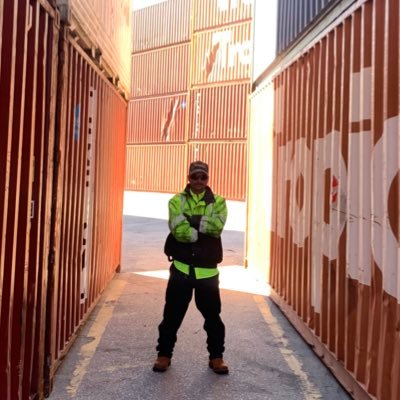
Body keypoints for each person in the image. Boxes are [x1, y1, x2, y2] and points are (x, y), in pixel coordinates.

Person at [153, 160, 229, 374]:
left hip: (208, 272)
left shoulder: (220, 202)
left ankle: (216, 357)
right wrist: (202, 229)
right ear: (188, 177)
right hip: (181, 269)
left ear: (207, 179)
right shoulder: (176, 200)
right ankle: (164, 355)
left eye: (203, 177)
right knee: (171, 316)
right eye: (194, 176)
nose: (198, 181)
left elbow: (217, 227)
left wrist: (191, 221)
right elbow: (178, 230)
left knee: (213, 318)